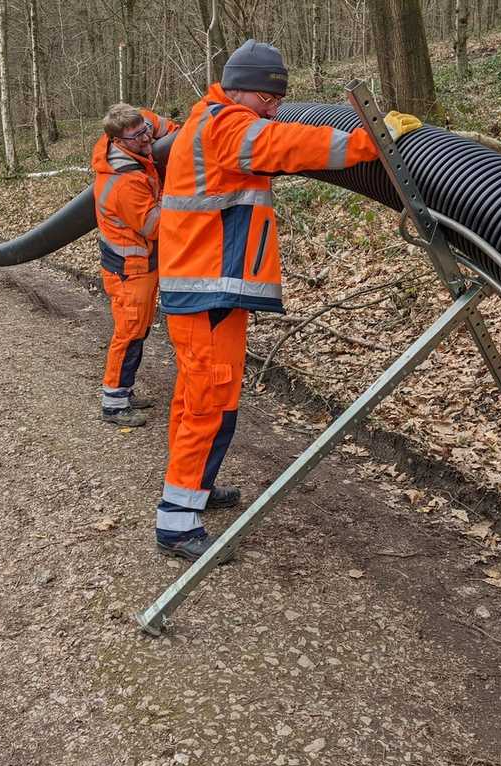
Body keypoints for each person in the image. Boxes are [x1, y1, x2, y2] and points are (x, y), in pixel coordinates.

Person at [153, 39, 390, 562]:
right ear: (244, 91)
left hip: (211, 290)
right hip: (205, 291)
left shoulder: (211, 121)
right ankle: (176, 523)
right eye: (269, 100)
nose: (276, 109)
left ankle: (194, 489)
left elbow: (277, 138)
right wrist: (371, 142)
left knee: (203, 399)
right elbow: (286, 146)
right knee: (208, 404)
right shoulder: (225, 125)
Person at [92, 103, 179, 427]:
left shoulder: (133, 126)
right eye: (138, 136)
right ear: (119, 141)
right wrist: (178, 196)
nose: (146, 138)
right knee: (129, 334)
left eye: (146, 131)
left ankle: (124, 391)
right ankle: (113, 404)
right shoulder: (125, 183)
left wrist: (173, 135)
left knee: (139, 331)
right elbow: (156, 226)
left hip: (142, 263)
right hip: (130, 269)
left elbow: (161, 125)